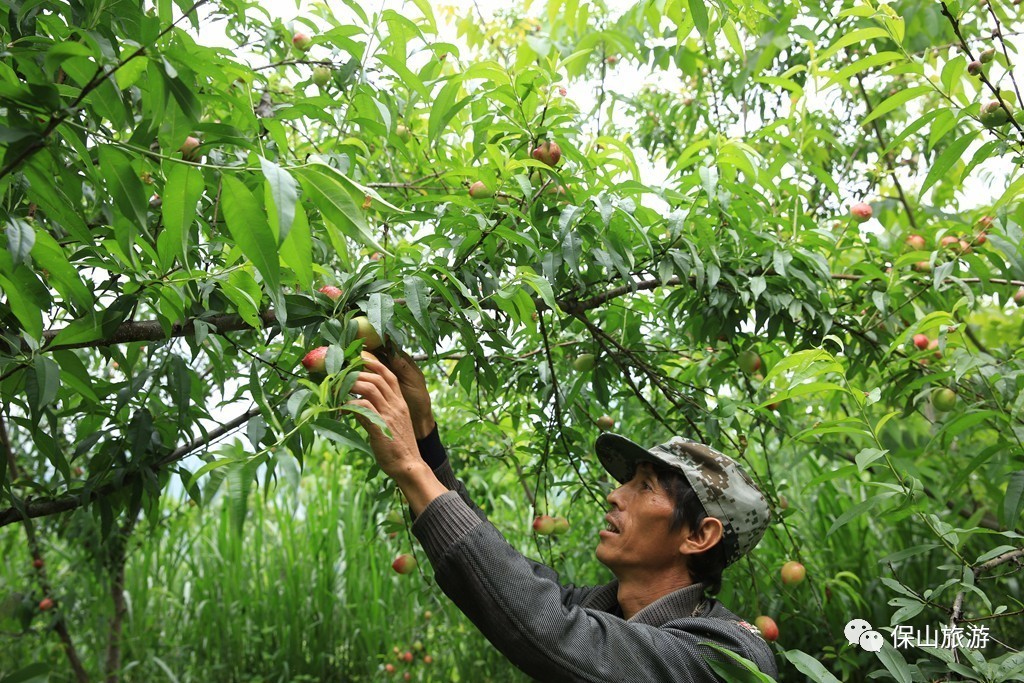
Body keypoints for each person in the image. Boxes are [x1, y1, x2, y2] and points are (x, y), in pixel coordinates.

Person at [348, 349, 779, 682]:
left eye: (644, 486)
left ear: (699, 536)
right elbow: (507, 579)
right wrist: (423, 434)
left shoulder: (729, 657)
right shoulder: (604, 608)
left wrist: (410, 469)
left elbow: (555, 631)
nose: (614, 495)